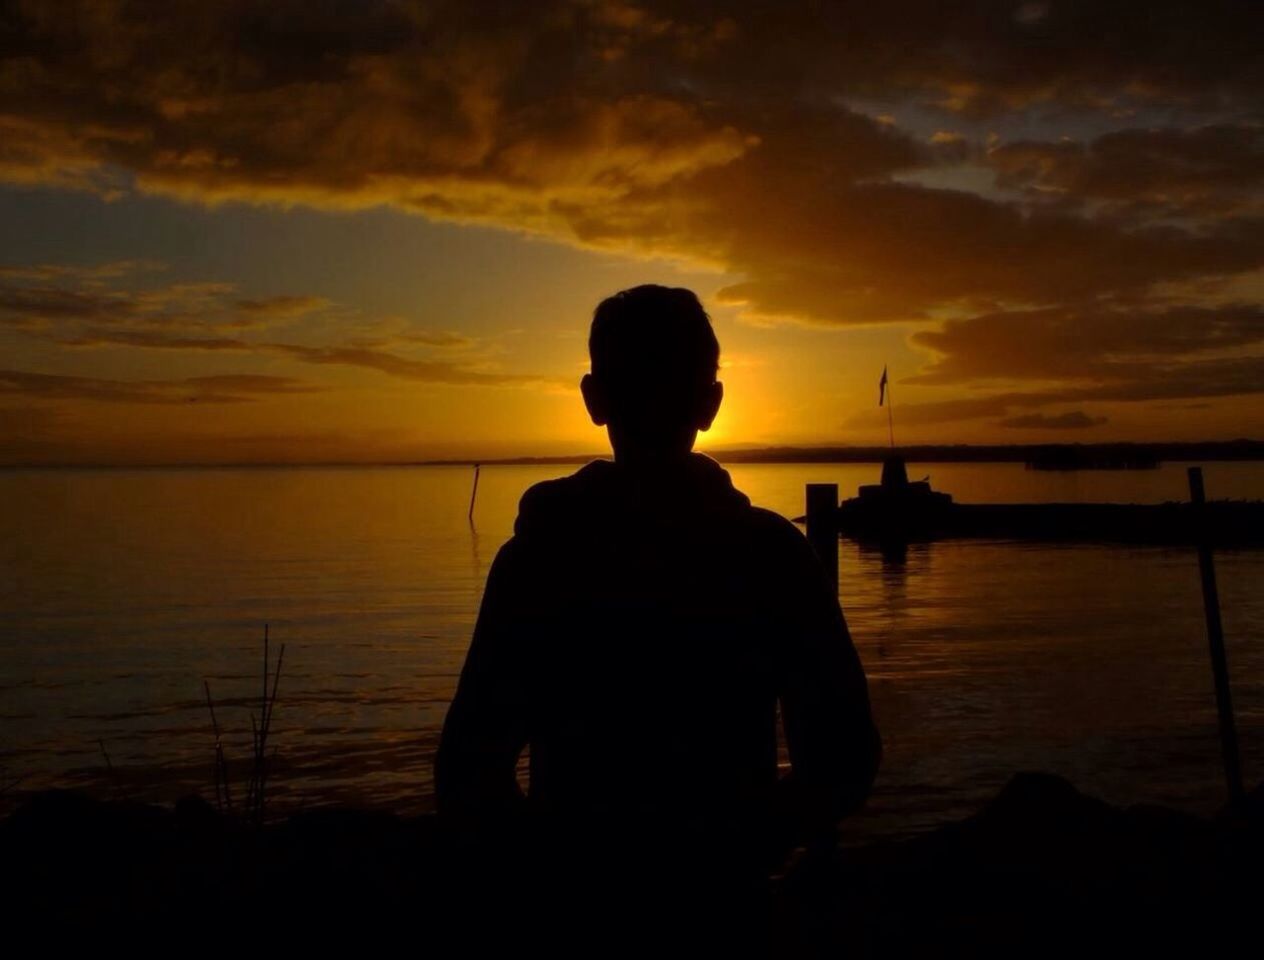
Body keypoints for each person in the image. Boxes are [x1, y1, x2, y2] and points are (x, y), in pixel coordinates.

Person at [434, 284, 879, 951]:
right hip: (728, 912)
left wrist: (546, 870)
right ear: (711, 404)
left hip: (575, 915)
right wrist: (755, 842)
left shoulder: (538, 562)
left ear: (593, 399)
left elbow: (468, 770)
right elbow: (843, 757)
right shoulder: (770, 556)